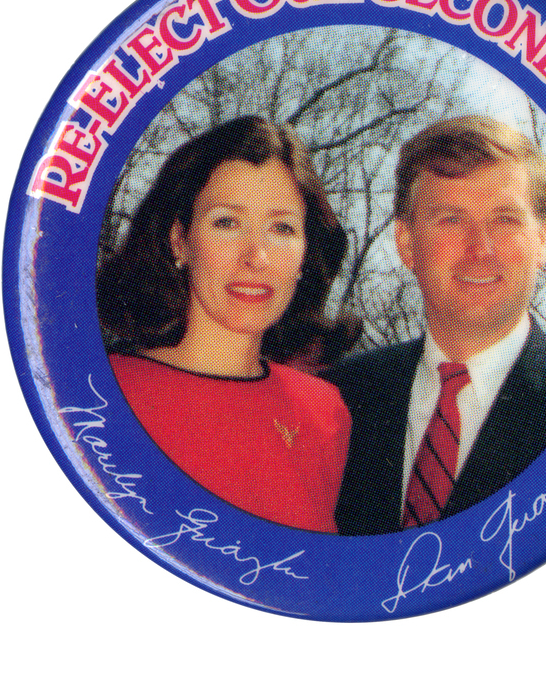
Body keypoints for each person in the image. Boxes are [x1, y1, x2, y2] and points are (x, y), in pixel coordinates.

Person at [325, 115, 546, 535]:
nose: (480, 249)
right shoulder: (337, 401)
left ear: (542, 240)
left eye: (505, 219)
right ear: (406, 243)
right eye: (450, 218)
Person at [97, 116, 358, 533]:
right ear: (180, 239)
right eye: (227, 222)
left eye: (282, 228)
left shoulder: (324, 413)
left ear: (305, 253)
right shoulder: (105, 393)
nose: (257, 257)